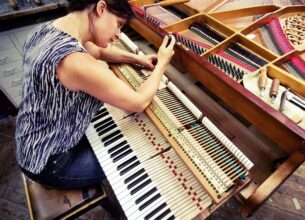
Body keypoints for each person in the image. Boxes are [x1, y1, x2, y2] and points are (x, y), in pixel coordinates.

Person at [15, 0, 175, 189]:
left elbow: (98, 51)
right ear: (101, 8)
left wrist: (138, 58)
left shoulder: (47, 30)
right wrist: (163, 63)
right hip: (51, 164)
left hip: (30, 142)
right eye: (119, 24)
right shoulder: (73, 61)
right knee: (147, 156)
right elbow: (139, 102)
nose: (118, 35)